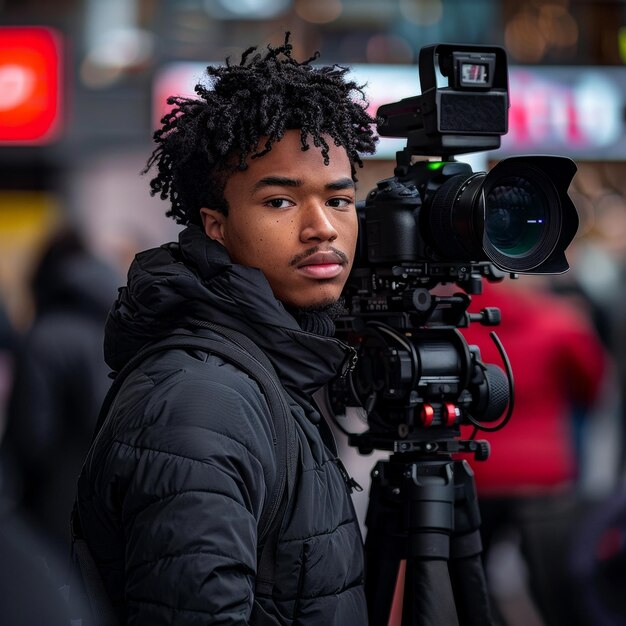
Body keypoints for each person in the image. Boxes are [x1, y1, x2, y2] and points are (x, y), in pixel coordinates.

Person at [74, 34, 378, 625]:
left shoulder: (262, 364)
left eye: (339, 200)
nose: (323, 228)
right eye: (281, 203)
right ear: (215, 225)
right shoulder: (203, 400)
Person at [460, 277, 608, 626]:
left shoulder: (455, 327)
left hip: (478, 469)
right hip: (544, 474)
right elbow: (593, 382)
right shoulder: (559, 319)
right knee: (555, 580)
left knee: (470, 575)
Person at [3, 226, 120, 550]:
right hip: (113, 499)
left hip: (55, 502)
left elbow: (32, 437)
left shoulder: (45, 338)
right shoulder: (116, 330)